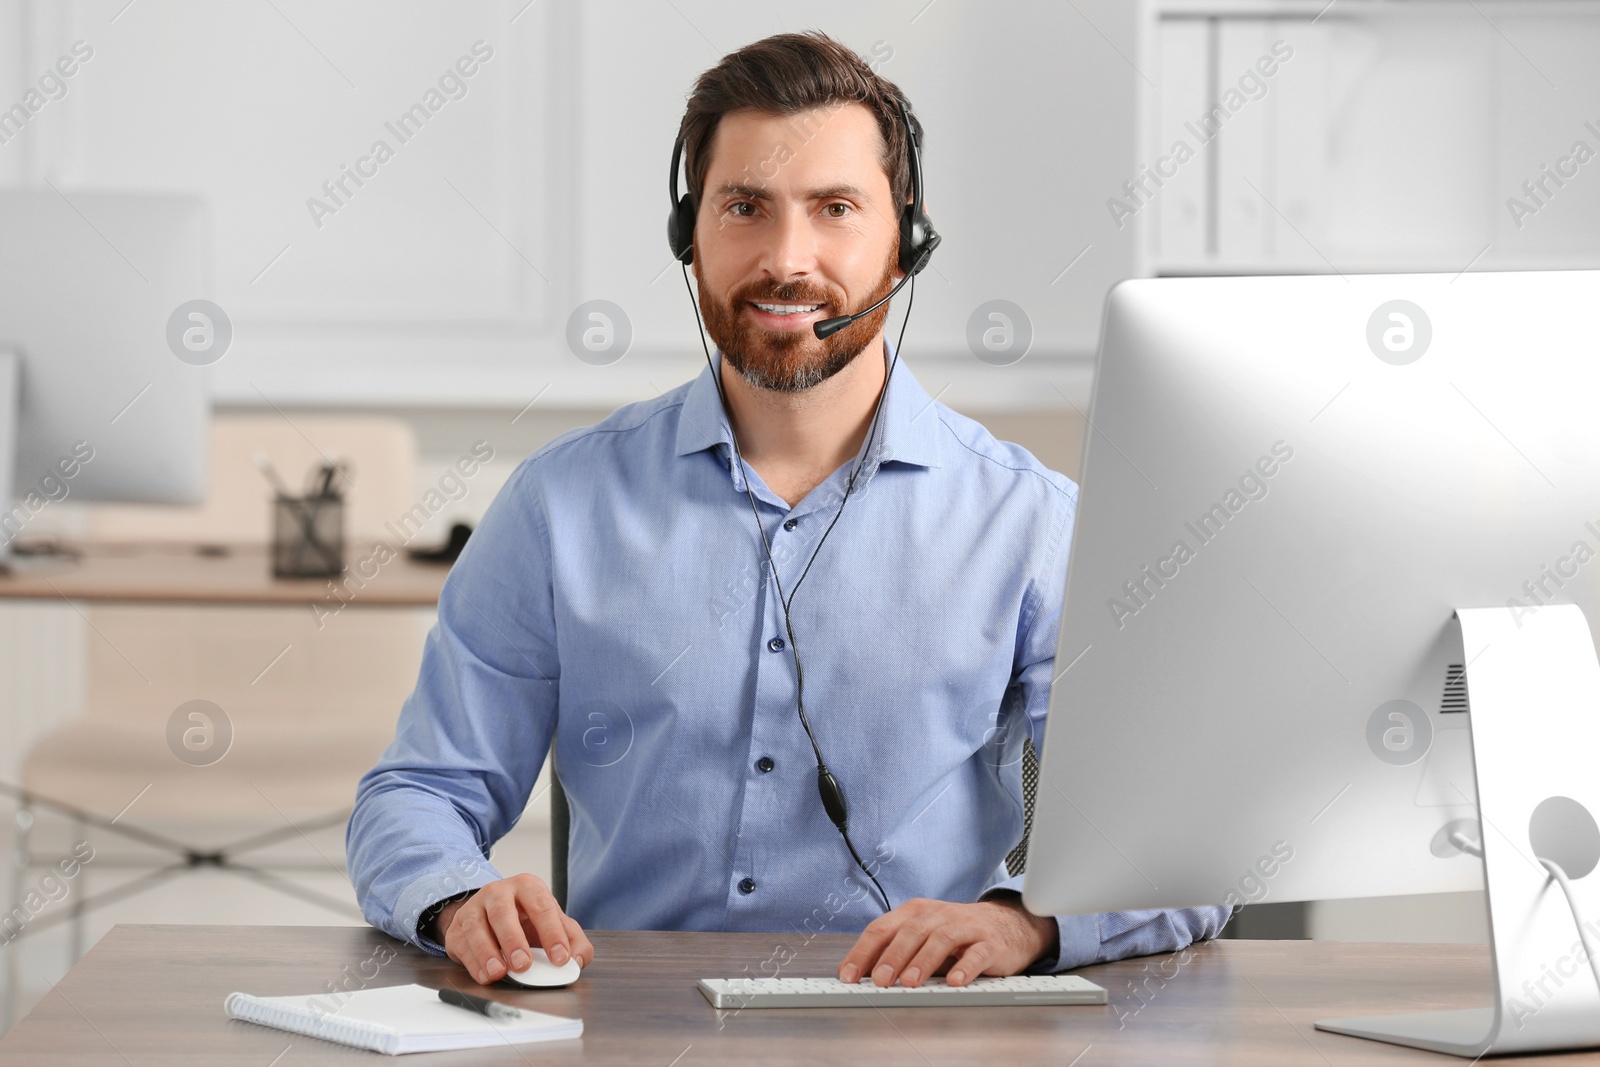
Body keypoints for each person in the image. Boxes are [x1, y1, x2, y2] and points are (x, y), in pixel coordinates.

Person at [347, 29, 1229, 991]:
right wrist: (457, 895)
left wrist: (1028, 925)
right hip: (631, 1029)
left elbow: (1181, 858)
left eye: (836, 209)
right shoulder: (560, 506)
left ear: (909, 237)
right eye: (744, 208)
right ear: (690, 236)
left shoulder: (1031, 523)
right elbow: (419, 793)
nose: (786, 258)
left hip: (919, 1033)